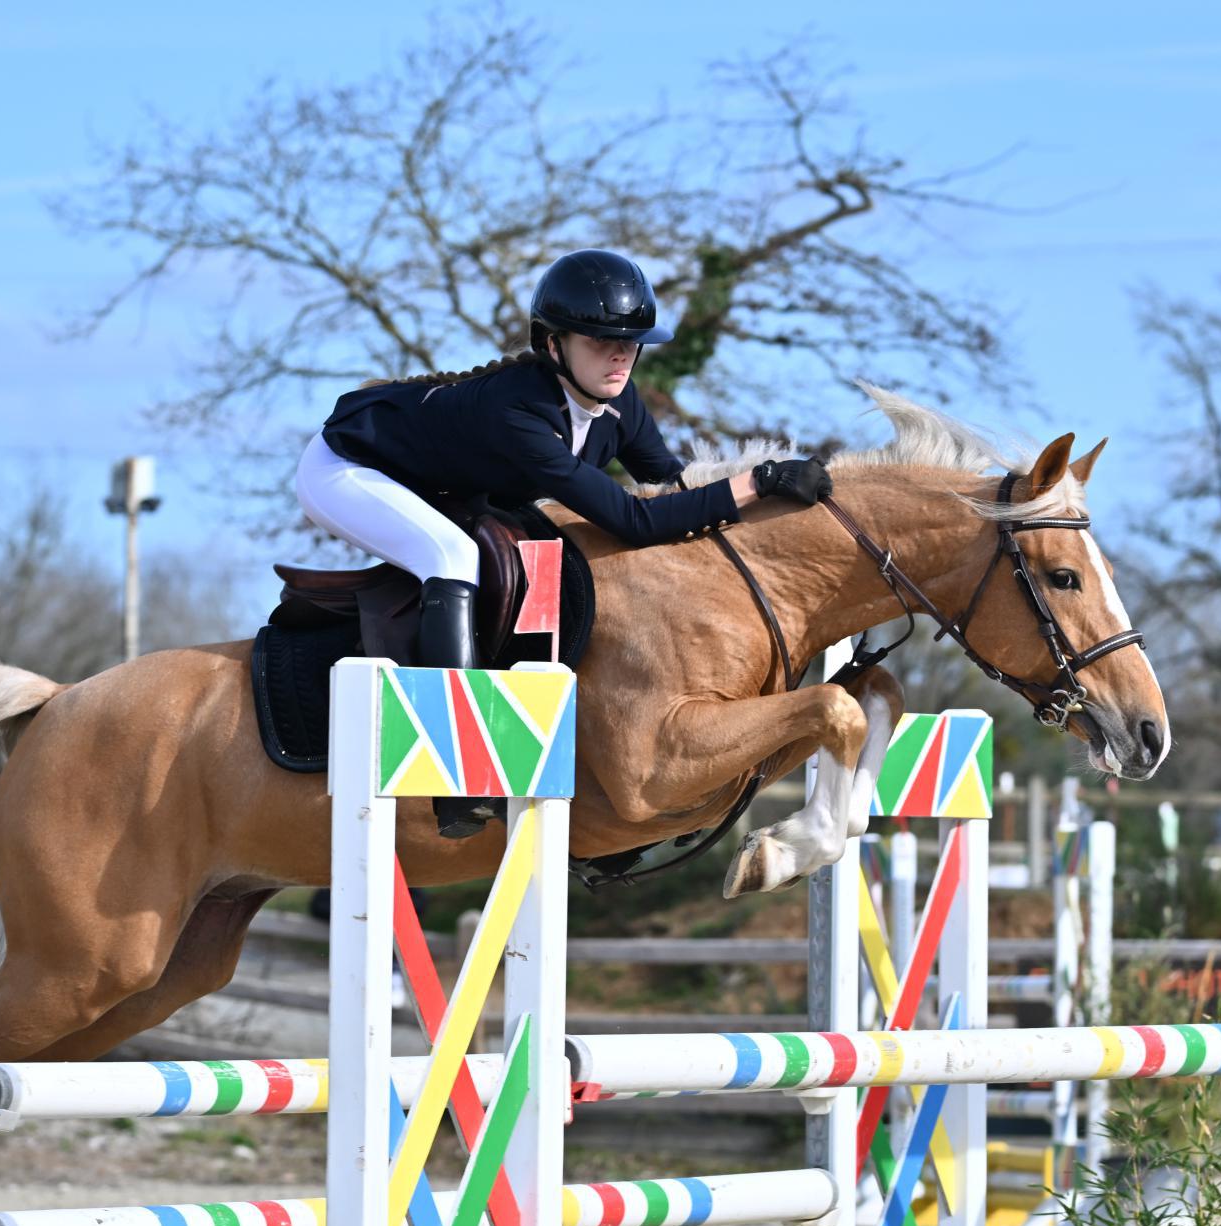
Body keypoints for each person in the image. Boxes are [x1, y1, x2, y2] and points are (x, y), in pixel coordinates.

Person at [302, 249, 833, 836]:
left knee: (535, 550)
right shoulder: (518, 413)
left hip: (448, 481)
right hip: (351, 470)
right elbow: (632, 521)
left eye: (630, 343)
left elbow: (670, 488)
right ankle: (458, 768)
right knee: (452, 557)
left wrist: (773, 513)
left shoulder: (620, 403)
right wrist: (758, 480)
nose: (619, 357)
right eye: (599, 341)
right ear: (552, 345)